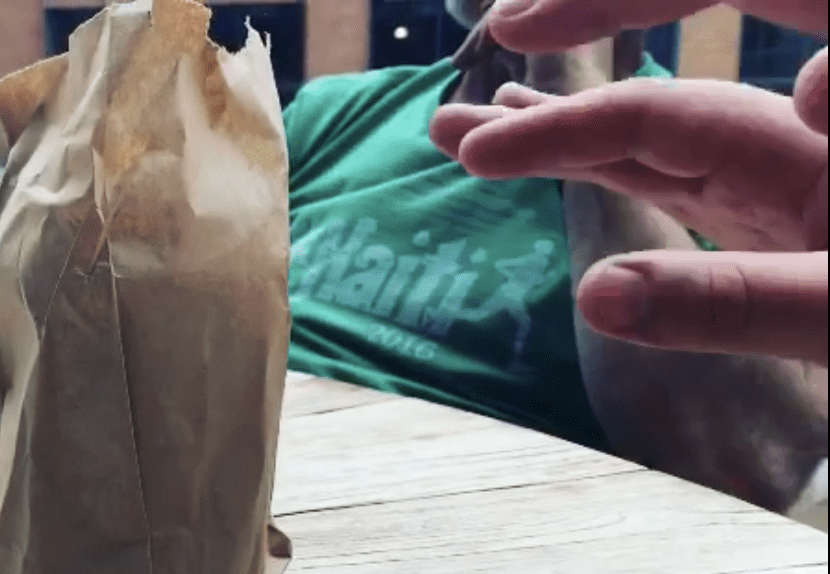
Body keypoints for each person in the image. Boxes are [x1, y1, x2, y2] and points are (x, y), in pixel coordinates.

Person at [280, 0, 826, 515]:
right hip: (254, 457)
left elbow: (747, 469)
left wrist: (566, 70)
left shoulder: (705, 154)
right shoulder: (334, 109)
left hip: (464, 520)